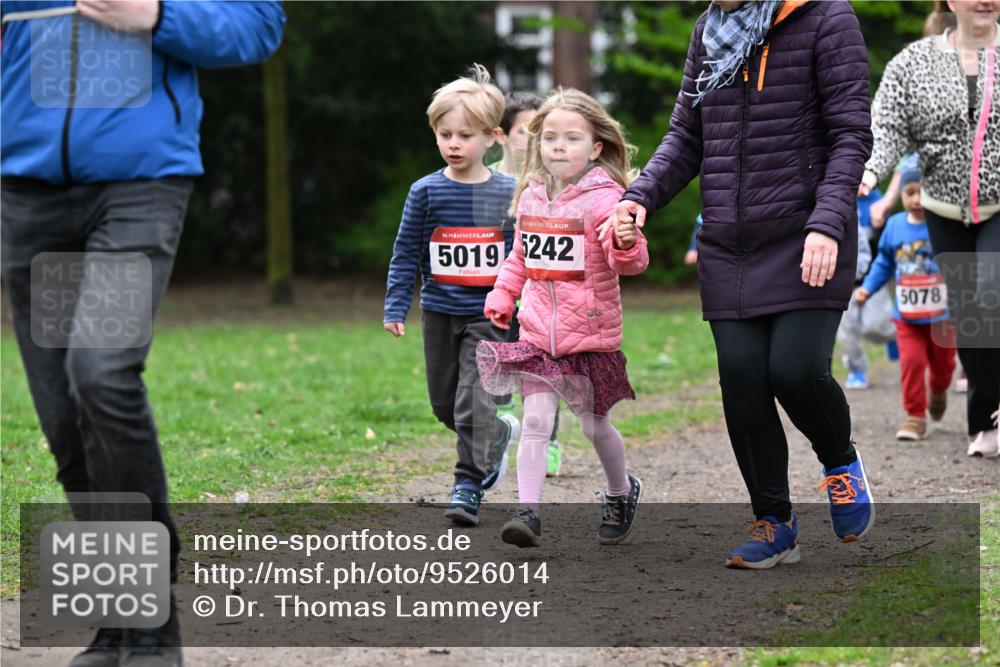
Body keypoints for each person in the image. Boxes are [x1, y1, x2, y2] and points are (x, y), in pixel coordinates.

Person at [1, 2, 284, 665]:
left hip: (135, 184)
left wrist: (158, 15)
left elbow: (257, 24)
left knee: (99, 370)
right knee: (68, 421)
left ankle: (154, 623)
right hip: (27, 189)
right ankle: (118, 620)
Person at [601, 0, 875, 569]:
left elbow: (851, 135)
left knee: (796, 371)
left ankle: (840, 462)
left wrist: (826, 224)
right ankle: (774, 522)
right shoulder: (709, 30)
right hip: (729, 242)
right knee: (744, 378)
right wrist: (637, 197)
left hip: (808, 233)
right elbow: (687, 136)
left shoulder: (827, 17)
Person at [476, 88, 648, 548]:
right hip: (536, 333)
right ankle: (527, 512)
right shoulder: (531, 196)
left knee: (595, 425)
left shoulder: (606, 199)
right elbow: (520, 256)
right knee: (534, 422)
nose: (558, 146)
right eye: (550, 137)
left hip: (588, 335)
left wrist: (628, 240)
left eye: (571, 138)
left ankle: (620, 491)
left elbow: (628, 263)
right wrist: (503, 293)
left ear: (595, 147)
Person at [861, 0, 1000, 457]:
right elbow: (887, 128)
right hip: (943, 208)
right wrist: (870, 171)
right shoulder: (914, 62)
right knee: (970, 317)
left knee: (990, 286)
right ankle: (985, 423)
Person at [383, 65, 520, 526]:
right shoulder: (425, 192)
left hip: (489, 317)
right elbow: (406, 253)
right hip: (440, 313)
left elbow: (521, 257)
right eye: (445, 134)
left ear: (492, 137)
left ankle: (467, 484)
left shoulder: (508, 193)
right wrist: (396, 305)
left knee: (473, 399)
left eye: (465, 134)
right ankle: (495, 433)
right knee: (445, 404)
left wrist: (524, 309)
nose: (454, 143)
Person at [488, 92, 564, 477]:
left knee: (542, 369)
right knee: (499, 363)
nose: (533, 141)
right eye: (525, 131)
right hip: (497, 294)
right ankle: (501, 427)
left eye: (541, 132)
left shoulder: (554, 183)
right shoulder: (484, 180)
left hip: (541, 295)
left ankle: (548, 439)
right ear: (500, 135)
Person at [855, 166, 957, 441]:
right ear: (902, 195)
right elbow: (884, 262)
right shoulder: (895, 225)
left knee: (944, 369)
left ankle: (937, 393)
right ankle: (915, 416)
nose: (916, 199)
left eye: (922, 193)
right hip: (908, 317)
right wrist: (867, 287)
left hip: (943, 318)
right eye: (910, 193)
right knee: (911, 364)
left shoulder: (943, 224)